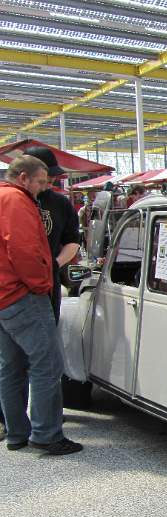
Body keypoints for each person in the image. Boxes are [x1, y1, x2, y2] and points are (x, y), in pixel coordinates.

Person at [0, 155, 83, 455]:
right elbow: (23, 248)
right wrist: (41, 284)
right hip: (23, 294)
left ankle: (16, 432)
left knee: (10, 366)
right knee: (47, 364)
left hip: (4, 295)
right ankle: (47, 434)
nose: (44, 187)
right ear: (23, 177)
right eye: (40, 182)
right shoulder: (16, 200)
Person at [22, 147, 80, 323]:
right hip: (13, 287)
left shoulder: (60, 203)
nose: (51, 180)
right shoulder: (11, 200)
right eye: (47, 176)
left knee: (48, 330)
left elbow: (72, 241)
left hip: (48, 285)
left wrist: (55, 264)